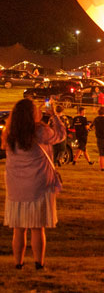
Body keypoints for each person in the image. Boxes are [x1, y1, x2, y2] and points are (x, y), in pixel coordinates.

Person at [3, 98, 66, 270]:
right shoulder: (40, 130)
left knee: (19, 229)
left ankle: (18, 263)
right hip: (39, 185)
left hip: (16, 187)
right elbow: (60, 136)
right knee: (37, 228)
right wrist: (54, 116)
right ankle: (39, 263)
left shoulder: (10, 133)